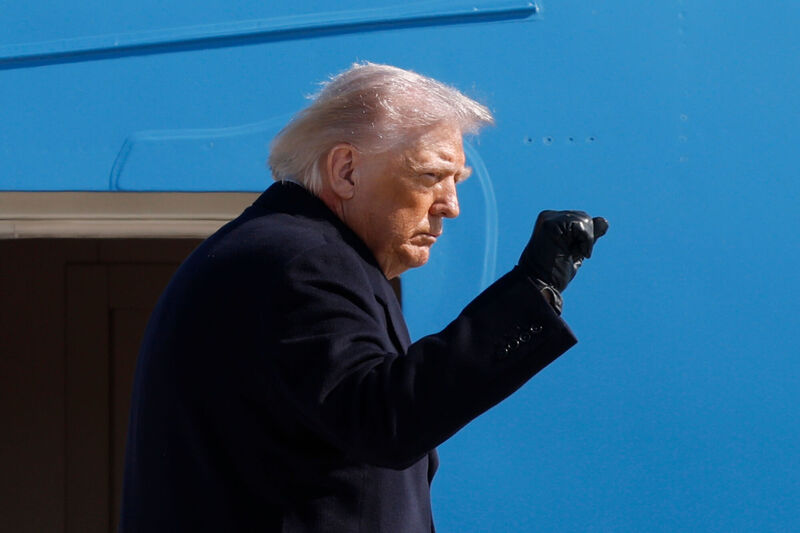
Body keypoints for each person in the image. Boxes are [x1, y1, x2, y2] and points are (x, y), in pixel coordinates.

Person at [120, 62, 608, 532]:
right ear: (347, 170)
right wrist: (535, 287)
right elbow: (383, 419)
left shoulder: (278, 250)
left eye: (456, 182)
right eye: (430, 176)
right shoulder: (304, 259)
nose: (451, 207)